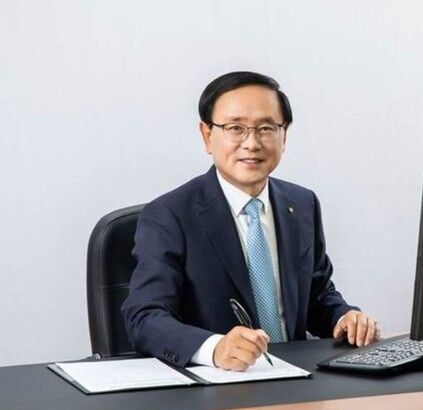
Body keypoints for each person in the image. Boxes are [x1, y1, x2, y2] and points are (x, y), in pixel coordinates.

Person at [122, 71, 379, 371]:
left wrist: (344, 317)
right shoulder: (169, 215)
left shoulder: (302, 204)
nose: (252, 143)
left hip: (297, 380)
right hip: (219, 385)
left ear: (284, 136)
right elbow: (144, 317)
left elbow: (317, 298)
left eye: (266, 128)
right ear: (207, 135)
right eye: (235, 128)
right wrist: (214, 349)